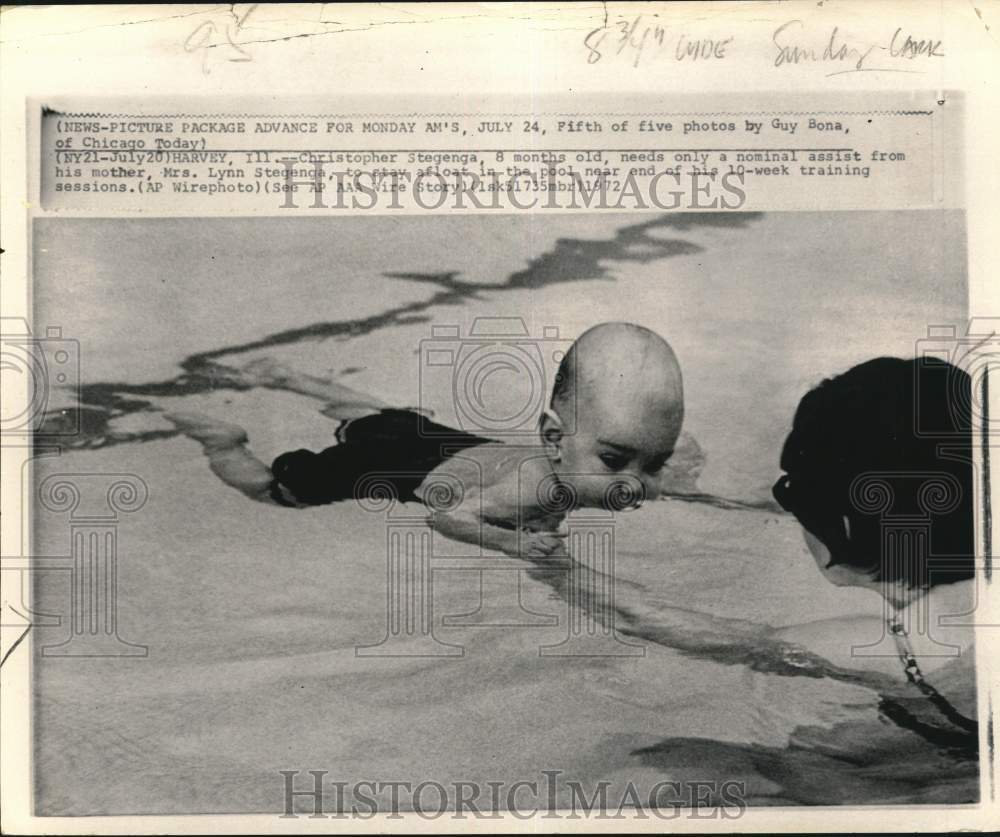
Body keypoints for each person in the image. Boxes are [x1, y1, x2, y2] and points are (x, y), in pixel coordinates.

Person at [168, 322, 685, 560]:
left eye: (654, 464)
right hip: (388, 466)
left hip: (430, 440)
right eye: (615, 461)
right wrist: (513, 542)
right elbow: (446, 517)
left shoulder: (568, 462)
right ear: (553, 439)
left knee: (377, 416)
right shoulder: (534, 492)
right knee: (273, 492)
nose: (637, 484)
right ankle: (222, 442)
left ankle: (291, 379)